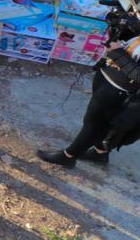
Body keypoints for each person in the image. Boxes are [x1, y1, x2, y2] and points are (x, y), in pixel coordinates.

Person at [38, 22, 140, 167]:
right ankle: (100, 153)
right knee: (97, 122)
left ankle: (68, 157)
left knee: (93, 124)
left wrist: (118, 54)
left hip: (119, 91)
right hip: (108, 76)